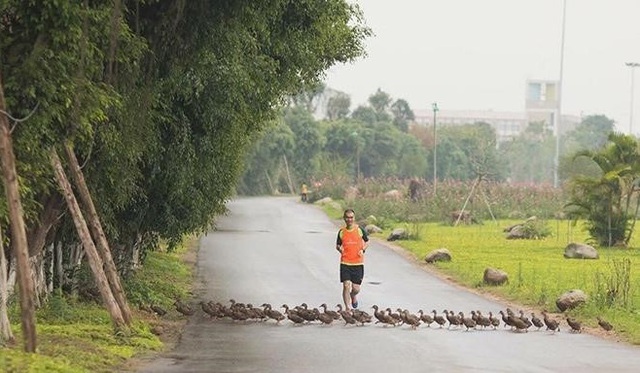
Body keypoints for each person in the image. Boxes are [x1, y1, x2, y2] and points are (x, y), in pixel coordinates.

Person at [335, 208, 369, 311]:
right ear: (344, 219)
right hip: (345, 263)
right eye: (347, 218)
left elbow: (367, 242)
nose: (349, 219)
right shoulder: (341, 232)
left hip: (358, 263)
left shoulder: (360, 230)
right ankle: (347, 308)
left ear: (354, 218)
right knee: (346, 285)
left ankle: (353, 295)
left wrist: (362, 250)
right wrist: (340, 249)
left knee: (356, 289)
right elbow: (337, 245)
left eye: (351, 217)